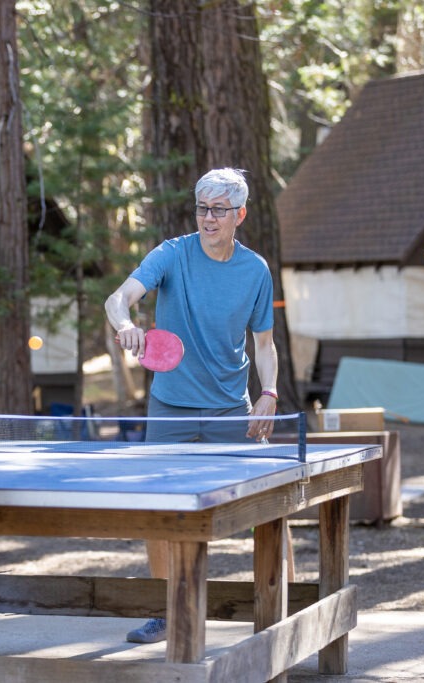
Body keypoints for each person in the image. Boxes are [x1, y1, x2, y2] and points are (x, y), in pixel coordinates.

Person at [104, 167, 278, 644]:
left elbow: (263, 344)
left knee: (266, 511)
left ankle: (274, 606)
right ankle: (168, 611)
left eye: (219, 209)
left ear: (239, 214)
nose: (208, 217)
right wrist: (125, 323)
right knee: (158, 513)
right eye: (202, 207)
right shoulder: (171, 255)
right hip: (171, 409)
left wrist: (269, 393)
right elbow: (118, 298)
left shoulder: (255, 270)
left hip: (229, 412)